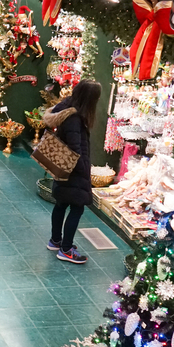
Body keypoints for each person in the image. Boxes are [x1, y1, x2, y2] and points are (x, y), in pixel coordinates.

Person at [44, 80, 102, 264]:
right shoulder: (75, 118)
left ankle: (55, 240)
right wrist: (85, 171)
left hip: (63, 167)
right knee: (77, 208)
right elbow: (76, 149)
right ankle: (66, 249)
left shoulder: (66, 107)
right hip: (74, 170)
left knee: (61, 203)